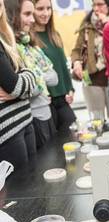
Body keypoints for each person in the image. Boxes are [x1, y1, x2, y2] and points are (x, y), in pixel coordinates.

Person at [5, 0, 58, 149]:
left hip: (46, 112)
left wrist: (33, 80)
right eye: (27, 14)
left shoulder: (29, 44)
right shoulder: (11, 49)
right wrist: (32, 84)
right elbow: (29, 89)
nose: (33, 19)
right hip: (31, 118)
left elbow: (54, 78)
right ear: (12, 15)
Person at [0, 0, 36, 168]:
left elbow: (31, 77)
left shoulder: (5, 38)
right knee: (19, 191)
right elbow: (16, 87)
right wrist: (24, 82)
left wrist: (25, 79)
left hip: (24, 120)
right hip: (8, 132)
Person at [32, 0, 76, 132]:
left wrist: (70, 89)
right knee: (52, 148)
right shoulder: (29, 39)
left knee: (72, 136)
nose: (45, 13)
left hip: (62, 99)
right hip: (44, 101)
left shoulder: (55, 36)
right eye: (40, 9)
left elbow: (62, 65)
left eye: (48, 8)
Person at [71, 0, 109, 120]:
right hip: (91, 78)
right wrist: (76, 62)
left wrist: (108, 25)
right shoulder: (87, 24)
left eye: (100, 4)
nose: (96, 9)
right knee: (97, 120)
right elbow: (76, 49)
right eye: (94, 5)